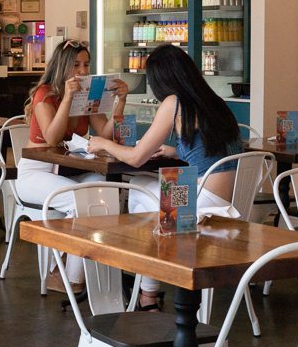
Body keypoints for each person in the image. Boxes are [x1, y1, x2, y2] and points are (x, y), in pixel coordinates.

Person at [88, 43, 243, 309]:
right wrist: (175, 150)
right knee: (145, 192)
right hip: (227, 203)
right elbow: (211, 150)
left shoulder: (174, 102)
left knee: (137, 187)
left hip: (199, 205)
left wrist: (103, 144)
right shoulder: (212, 100)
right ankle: (149, 286)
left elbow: (137, 158)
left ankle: (148, 290)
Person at [18, 39, 128, 292]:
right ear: (62, 66)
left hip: (70, 170)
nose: (82, 70)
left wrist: (120, 102)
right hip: (36, 171)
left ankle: (83, 270)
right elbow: (52, 138)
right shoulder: (44, 94)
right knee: (81, 201)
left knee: (106, 192)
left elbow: (106, 133)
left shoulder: (87, 95)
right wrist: (67, 98)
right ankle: (66, 275)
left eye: (86, 64)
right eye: (76, 65)